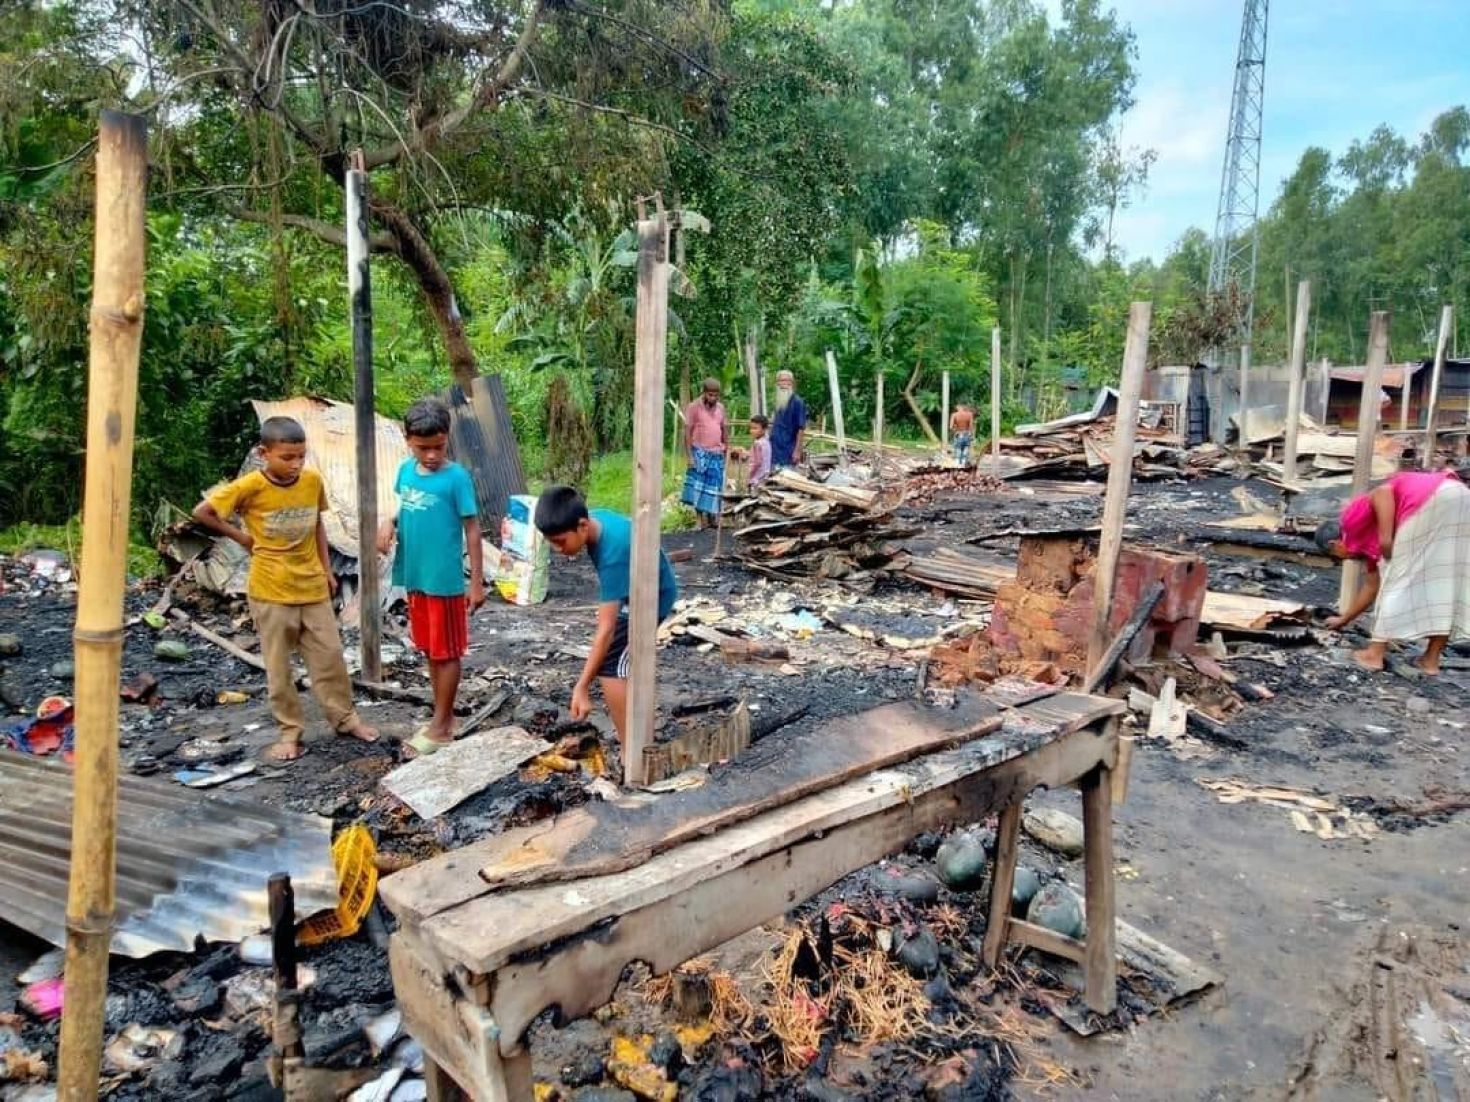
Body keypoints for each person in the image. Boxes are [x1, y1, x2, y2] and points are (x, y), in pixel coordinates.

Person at [193, 416, 378, 763]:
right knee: (279, 669)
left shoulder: (311, 481)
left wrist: (326, 569)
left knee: (331, 659)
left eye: (301, 457)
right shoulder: (248, 486)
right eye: (287, 457)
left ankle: (345, 719)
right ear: (265, 453)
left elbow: (317, 526)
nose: (295, 465)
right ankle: (289, 733)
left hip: (311, 586)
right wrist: (244, 538)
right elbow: (203, 512)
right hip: (270, 588)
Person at [377, 398, 485, 758]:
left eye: (438, 446)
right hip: (416, 576)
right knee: (429, 648)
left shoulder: (456, 478)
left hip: (445, 580)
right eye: (423, 447)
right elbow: (404, 509)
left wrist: (476, 581)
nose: (432, 455)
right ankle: (441, 715)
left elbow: (472, 528)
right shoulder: (405, 472)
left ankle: (442, 724)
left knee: (447, 651)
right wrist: (387, 524)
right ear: (407, 439)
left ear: (447, 439)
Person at [534, 486, 678, 755]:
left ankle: (632, 750)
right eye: (551, 543)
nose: (557, 549)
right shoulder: (595, 520)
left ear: (582, 526)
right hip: (636, 589)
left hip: (652, 598)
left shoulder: (613, 555)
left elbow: (607, 630)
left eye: (561, 542)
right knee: (615, 658)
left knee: (611, 664)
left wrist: (582, 686)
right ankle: (634, 739)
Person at [1315, 468, 1470, 675]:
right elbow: (1371, 586)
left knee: (1396, 580)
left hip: (1430, 497)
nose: (1344, 560)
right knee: (1446, 583)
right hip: (1459, 495)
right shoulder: (1366, 547)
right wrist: (1344, 619)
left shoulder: (1350, 521)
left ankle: (1373, 655)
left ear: (1334, 544)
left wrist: (1386, 540)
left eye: (1337, 557)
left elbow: (1383, 492)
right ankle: (1430, 661)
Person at [681, 378, 728, 529]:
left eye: (716, 395)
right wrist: (689, 456)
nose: (713, 398)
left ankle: (712, 518)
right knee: (699, 487)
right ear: (704, 392)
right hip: (699, 451)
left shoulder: (721, 408)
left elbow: (724, 429)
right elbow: (687, 432)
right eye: (710, 395)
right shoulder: (694, 407)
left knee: (714, 488)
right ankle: (699, 519)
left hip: (716, 452)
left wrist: (726, 448)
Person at [769, 369, 808, 469]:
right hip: (775, 449)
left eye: (787, 381)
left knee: (787, 478)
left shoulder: (797, 402)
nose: (784, 383)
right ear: (777, 383)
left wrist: (797, 451)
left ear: (792, 383)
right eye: (781, 380)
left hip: (789, 450)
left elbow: (801, 428)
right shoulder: (778, 402)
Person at [747, 414, 772, 488]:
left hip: (756, 479)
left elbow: (757, 463)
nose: (752, 431)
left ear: (764, 429)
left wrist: (749, 475)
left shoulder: (757, 443)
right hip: (765, 477)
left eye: (755, 428)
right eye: (751, 428)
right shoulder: (767, 442)